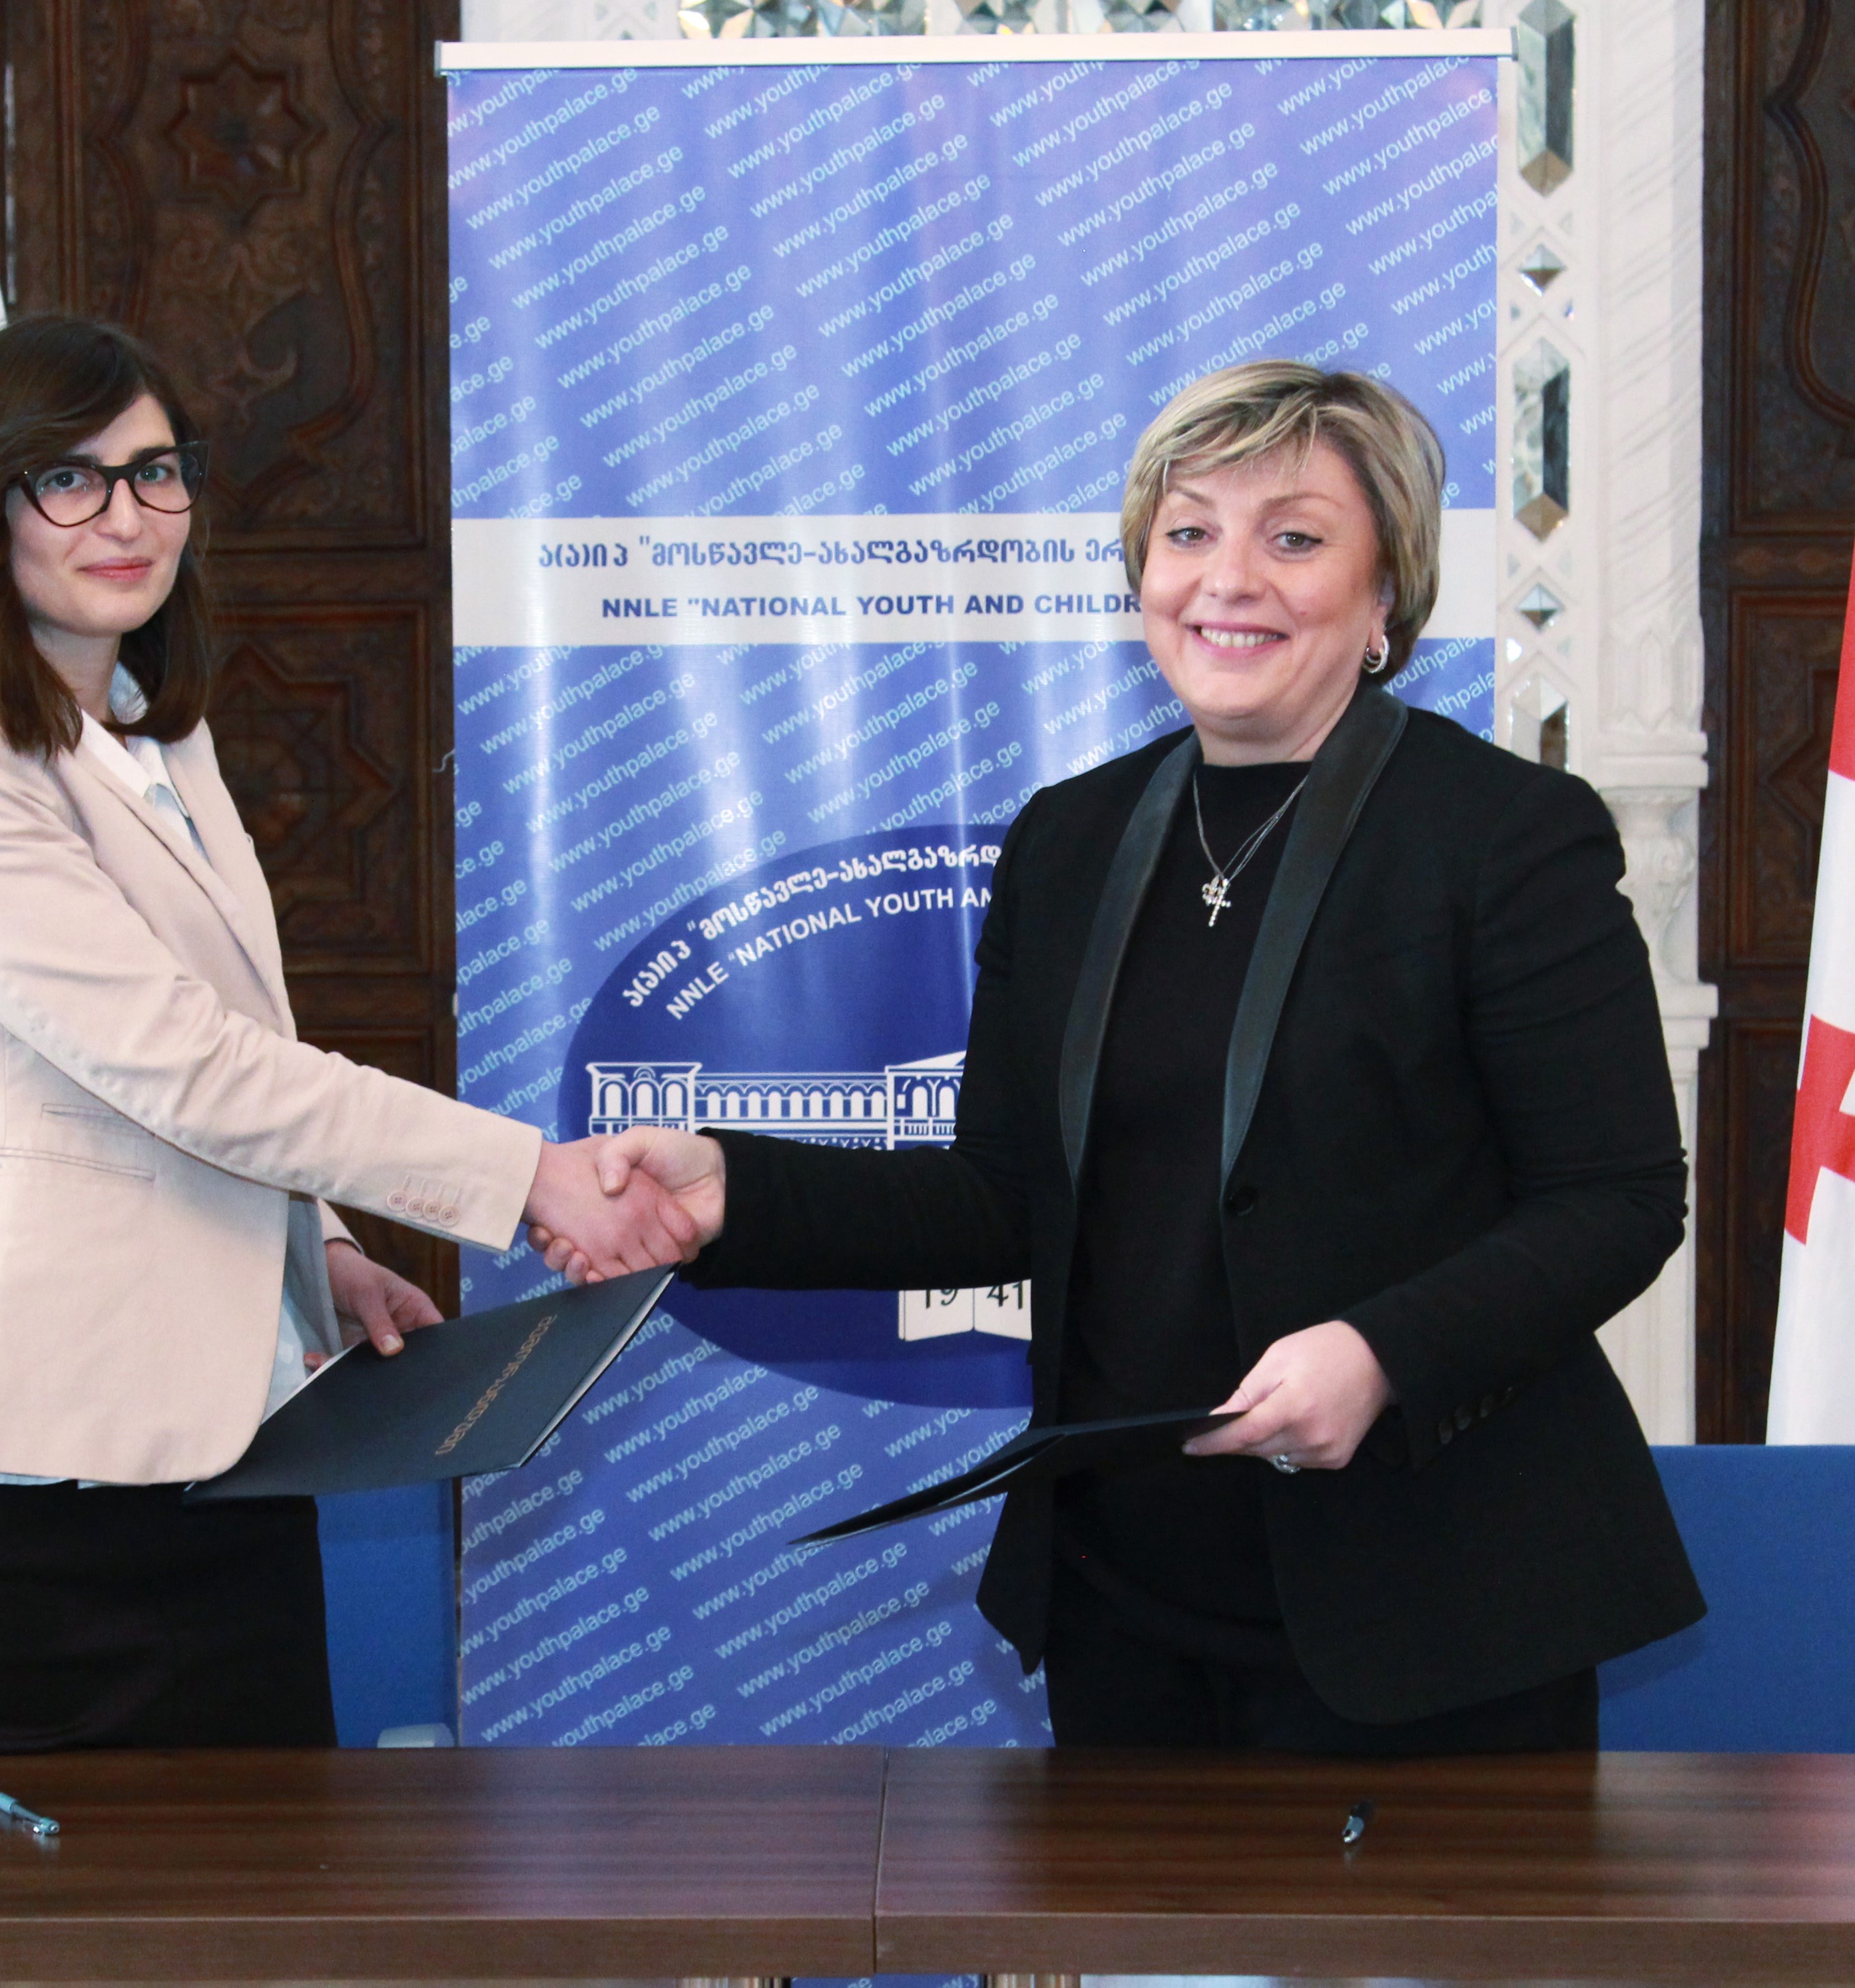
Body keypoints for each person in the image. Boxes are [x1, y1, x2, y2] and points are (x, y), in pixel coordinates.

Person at [544, 361, 1704, 1754]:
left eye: (1293, 537)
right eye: (1187, 531)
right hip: (1123, 1612)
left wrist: (1380, 1353)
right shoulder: (1069, 838)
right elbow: (997, 1198)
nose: (1228, 578)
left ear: (1386, 591)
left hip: (1431, 1613)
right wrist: (730, 1190)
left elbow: (1615, 1198)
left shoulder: (1504, 835)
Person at [0, 315, 689, 1753]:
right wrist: (527, 1174)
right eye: (69, 479)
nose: (126, 516)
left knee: (259, 1890)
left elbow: (215, 1053)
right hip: (11, 1507)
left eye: (156, 471)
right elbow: (180, 1064)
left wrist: (316, 1250)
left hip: (218, 1462)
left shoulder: (159, 744)